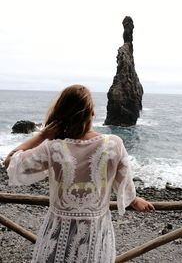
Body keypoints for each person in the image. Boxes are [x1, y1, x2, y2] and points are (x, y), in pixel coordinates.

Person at [4, 84, 155, 263]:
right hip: (95, 236)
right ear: (92, 112)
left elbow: (10, 162)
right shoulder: (114, 144)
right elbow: (123, 182)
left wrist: (42, 135)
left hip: (57, 235)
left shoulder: (53, 147)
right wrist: (134, 200)